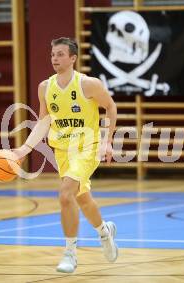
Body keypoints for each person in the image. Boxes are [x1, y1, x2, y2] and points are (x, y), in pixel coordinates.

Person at [14, 37, 118, 273]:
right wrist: (23, 149)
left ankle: (70, 252)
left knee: (64, 195)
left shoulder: (88, 84)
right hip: (62, 149)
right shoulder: (45, 87)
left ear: (73, 58)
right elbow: (44, 121)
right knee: (81, 198)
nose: (55, 59)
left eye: (60, 54)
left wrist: (108, 141)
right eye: (53, 55)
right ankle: (104, 231)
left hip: (87, 147)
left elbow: (110, 107)